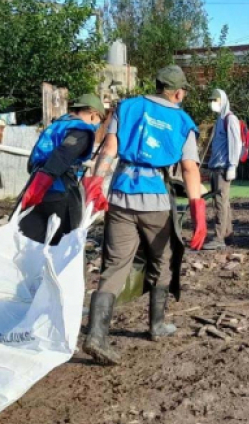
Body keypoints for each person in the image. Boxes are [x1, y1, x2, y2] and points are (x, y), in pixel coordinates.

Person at [80, 65, 207, 365]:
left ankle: (96, 336)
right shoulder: (182, 120)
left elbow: (109, 148)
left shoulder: (128, 106)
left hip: (121, 195)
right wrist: (199, 214)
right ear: (178, 92)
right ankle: (156, 324)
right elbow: (189, 169)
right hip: (156, 200)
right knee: (162, 260)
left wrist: (97, 183)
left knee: (114, 265)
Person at [19, 93, 105, 245]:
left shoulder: (56, 126)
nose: (98, 126)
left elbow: (33, 159)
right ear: (93, 114)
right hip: (60, 192)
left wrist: (37, 185)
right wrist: (45, 180)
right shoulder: (81, 131)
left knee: (28, 243)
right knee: (63, 245)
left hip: (34, 187)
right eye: (100, 120)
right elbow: (63, 155)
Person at [203, 89, 243, 251]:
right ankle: (227, 235)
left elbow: (236, 143)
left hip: (224, 168)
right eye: (212, 100)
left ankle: (218, 237)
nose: (213, 103)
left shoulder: (230, 119)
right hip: (216, 166)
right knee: (223, 202)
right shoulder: (220, 119)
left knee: (220, 203)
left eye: (216, 100)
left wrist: (233, 165)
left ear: (223, 101)